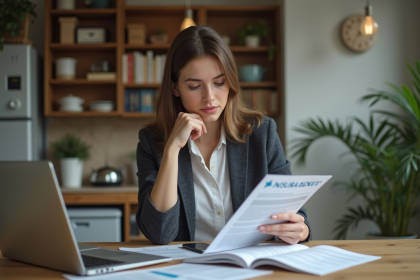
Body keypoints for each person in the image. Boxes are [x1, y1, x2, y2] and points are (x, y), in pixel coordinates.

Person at [135, 25, 310, 245]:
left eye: (219, 83)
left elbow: (296, 216)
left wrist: (299, 230)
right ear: (175, 88)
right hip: (187, 270)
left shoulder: (261, 133)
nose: (209, 97)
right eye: (195, 86)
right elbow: (159, 233)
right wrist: (171, 150)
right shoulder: (151, 141)